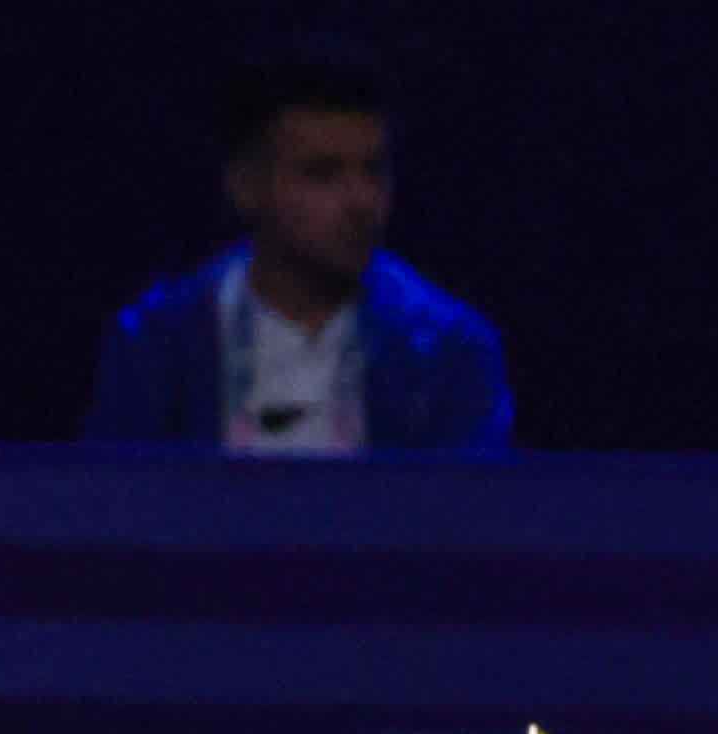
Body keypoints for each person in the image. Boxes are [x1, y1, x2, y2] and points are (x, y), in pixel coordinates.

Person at [84, 47, 511, 456]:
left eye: (373, 171)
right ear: (246, 187)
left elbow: (467, 524)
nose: (360, 201)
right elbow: (111, 515)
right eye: (323, 174)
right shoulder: (157, 347)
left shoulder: (451, 355)